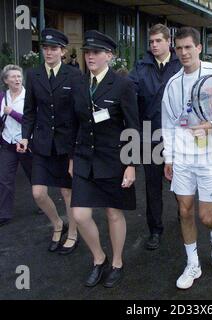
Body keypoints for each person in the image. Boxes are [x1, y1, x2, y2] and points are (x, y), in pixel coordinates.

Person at [162, 27, 212, 290]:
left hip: (210, 155)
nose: (183, 53)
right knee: (184, 209)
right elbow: (168, 123)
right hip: (182, 156)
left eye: (188, 47)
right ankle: (192, 263)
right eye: (179, 48)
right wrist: (168, 157)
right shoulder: (172, 84)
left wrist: (211, 126)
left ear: (199, 47)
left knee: (206, 215)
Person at [70, 30, 139, 288]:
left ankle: (117, 262)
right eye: (87, 52)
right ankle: (99, 258)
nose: (90, 56)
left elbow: (133, 126)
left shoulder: (122, 85)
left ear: (109, 56)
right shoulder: (78, 84)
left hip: (113, 160)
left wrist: (131, 165)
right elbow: (73, 123)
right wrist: (71, 158)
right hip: (84, 158)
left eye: (96, 52)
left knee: (113, 213)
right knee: (79, 214)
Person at [18, 28, 81, 254]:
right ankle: (57, 223)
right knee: (38, 193)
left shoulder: (73, 75)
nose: (49, 52)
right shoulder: (33, 75)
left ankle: (73, 233)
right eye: (45, 48)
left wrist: (76, 152)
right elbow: (30, 111)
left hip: (66, 145)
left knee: (67, 192)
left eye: (54, 48)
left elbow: (78, 115)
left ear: (62, 51)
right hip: (42, 143)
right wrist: (25, 136)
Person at [129, 23, 181, 250]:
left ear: (168, 41)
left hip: (178, 134)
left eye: (158, 41)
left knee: (181, 182)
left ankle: (184, 214)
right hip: (150, 133)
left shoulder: (181, 65)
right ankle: (155, 229)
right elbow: (129, 93)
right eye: (151, 42)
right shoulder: (141, 67)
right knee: (152, 187)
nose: (154, 45)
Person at [0, 65, 32, 227]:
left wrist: (11, 112)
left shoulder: (29, 97)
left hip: (26, 144)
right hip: (8, 144)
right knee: (4, 179)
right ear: (6, 81)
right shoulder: (1, 97)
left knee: (34, 177)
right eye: (13, 77)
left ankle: (42, 202)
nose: (17, 79)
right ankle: (4, 214)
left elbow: (30, 120)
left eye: (19, 76)